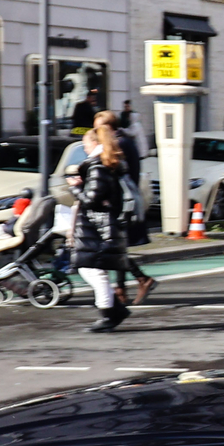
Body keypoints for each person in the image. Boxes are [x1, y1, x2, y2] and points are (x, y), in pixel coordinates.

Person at [69, 125, 134, 331]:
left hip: (96, 226)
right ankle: (114, 310)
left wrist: (76, 187)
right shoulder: (104, 165)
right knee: (92, 269)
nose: (85, 148)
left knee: (93, 270)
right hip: (100, 224)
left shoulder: (97, 167)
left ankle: (108, 314)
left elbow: (92, 199)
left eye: (86, 144)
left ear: (95, 144)